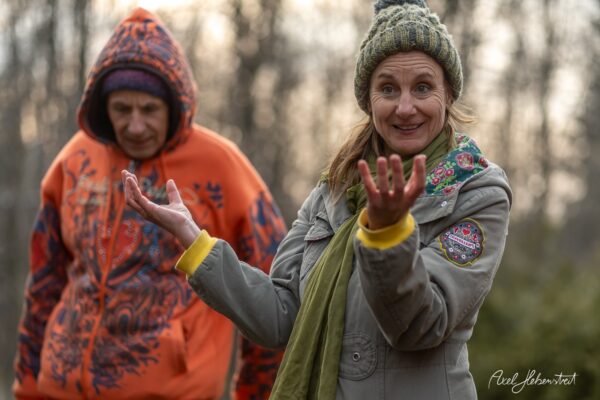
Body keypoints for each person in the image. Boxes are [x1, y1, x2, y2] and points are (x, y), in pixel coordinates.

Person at [123, 0, 512, 398]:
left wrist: (388, 236)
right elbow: (279, 317)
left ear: (449, 94)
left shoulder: (476, 191)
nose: (405, 107)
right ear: (368, 100)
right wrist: (195, 242)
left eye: (423, 87)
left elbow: (419, 327)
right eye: (388, 89)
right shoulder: (336, 188)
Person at [13, 7, 286, 400]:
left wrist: (256, 395)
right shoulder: (72, 161)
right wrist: (27, 388)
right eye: (122, 109)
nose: (136, 125)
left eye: (150, 109)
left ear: (174, 107)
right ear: (103, 107)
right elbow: (43, 285)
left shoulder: (222, 167)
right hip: (61, 390)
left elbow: (272, 295)